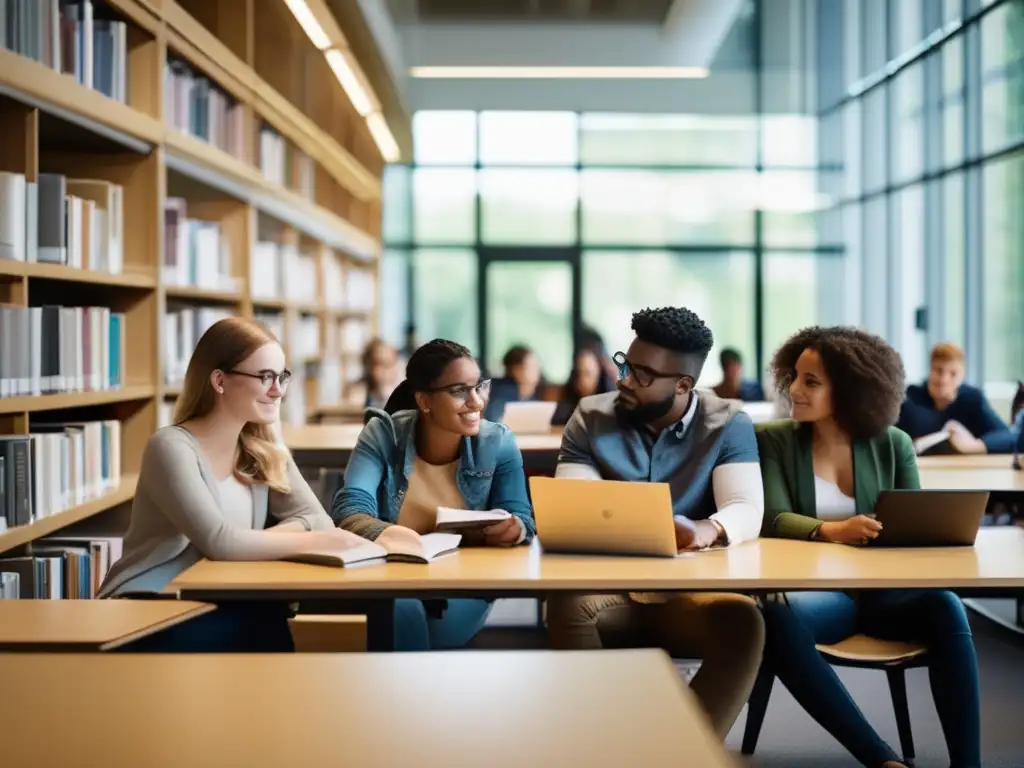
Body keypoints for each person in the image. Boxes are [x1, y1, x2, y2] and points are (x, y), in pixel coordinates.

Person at [756, 326, 980, 768]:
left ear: (851, 390)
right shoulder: (775, 440)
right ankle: (882, 761)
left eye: (810, 381)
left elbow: (915, 528)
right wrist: (834, 531)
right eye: (794, 377)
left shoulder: (893, 444)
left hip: (886, 596)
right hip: (822, 598)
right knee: (775, 622)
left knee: (947, 605)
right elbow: (773, 518)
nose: (793, 389)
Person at [545, 306, 766, 740]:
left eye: (643, 375)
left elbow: (745, 506)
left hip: (691, 593)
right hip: (609, 593)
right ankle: (601, 744)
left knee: (745, 622)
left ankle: (681, 752)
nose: (624, 380)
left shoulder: (729, 423)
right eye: (625, 364)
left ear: (684, 384)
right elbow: (576, 505)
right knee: (568, 603)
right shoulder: (590, 417)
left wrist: (706, 530)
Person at [99, 317, 367, 651]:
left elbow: (318, 520)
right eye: (264, 377)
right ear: (220, 381)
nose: (278, 390)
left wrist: (257, 539)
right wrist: (318, 540)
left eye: (282, 377)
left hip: (220, 596)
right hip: (152, 606)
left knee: (269, 618)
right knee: (265, 625)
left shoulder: (259, 449)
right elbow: (220, 543)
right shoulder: (170, 447)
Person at [332, 338, 536, 651]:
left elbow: (521, 517)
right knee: (401, 608)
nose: (477, 401)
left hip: (466, 576)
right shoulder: (383, 434)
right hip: (393, 570)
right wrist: (402, 540)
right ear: (424, 401)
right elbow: (350, 510)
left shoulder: (499, 442)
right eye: (459, 391)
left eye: (479, 386)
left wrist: (514, 528)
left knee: (413, 627)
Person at [897, 341, 1014, 454]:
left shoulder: (972, 399)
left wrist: (974, 445)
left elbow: (1009, 436)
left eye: (953, 373)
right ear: (930, 370)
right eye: (938, 371)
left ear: (962, 376)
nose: (944, 379)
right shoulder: (909, 398)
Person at [552, 346, 614, 426]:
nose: (583, 380)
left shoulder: (610, 399)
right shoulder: (570, 396)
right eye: (579, 373)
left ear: (599, 373)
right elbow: (557, 422)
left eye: (587, 373)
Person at [350, 338, 400, 410]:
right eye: (380, 364)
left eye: (390, 364)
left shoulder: (407, 395)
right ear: (369, 367)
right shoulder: (358, 394)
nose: (385, 371)